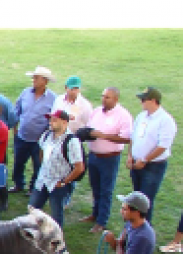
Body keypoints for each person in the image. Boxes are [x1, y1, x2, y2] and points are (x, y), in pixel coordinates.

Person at [79, 87, 133, 234]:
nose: (104, 99)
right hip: (94, 156)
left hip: (110, 158)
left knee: (106, 190)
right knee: (95, 187)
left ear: (116, 99)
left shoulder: (123, 115)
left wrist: (102, 135)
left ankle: (102, 221)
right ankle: (95, 213)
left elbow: (127, 138)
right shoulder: (96, 111)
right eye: (103, 96)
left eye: (107, 97)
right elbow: (90, 129)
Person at [126, 87, 175, 225]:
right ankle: (133, 228)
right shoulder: (141, 116)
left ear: (153, 101)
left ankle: (143, 231)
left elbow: (163, 146)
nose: (141, 102)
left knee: (145, 201)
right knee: (136, 198)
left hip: (153, 166)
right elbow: (133, 137)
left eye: (143, 99)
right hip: (136, 164)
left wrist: (146, 159)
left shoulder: (166, 120)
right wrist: (130, 155)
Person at [28, 110, 85, 227]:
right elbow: (41, 152)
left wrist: (64, 182)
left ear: (64, 123)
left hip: (58, 184)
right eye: (50, 120)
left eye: (54, 120)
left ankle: (57, 242)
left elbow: (79, 168)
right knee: (32, 210)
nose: (50, 122)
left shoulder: (72, 141)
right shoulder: (46, 135)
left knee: (56, 216)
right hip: (42, 180)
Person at [12, 66, 58, 194]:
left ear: (45, 81)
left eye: (36, 78)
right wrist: (15, 128)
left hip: (39, 140)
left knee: (38, 165)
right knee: (18, 163)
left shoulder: (53, 99)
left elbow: (53, 120)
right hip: (22, 136)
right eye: (33, 77)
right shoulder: (25, 92)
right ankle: (18, 184)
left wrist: (47, 136)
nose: (33, 80)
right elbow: (17, 111)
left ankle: (33, 188)